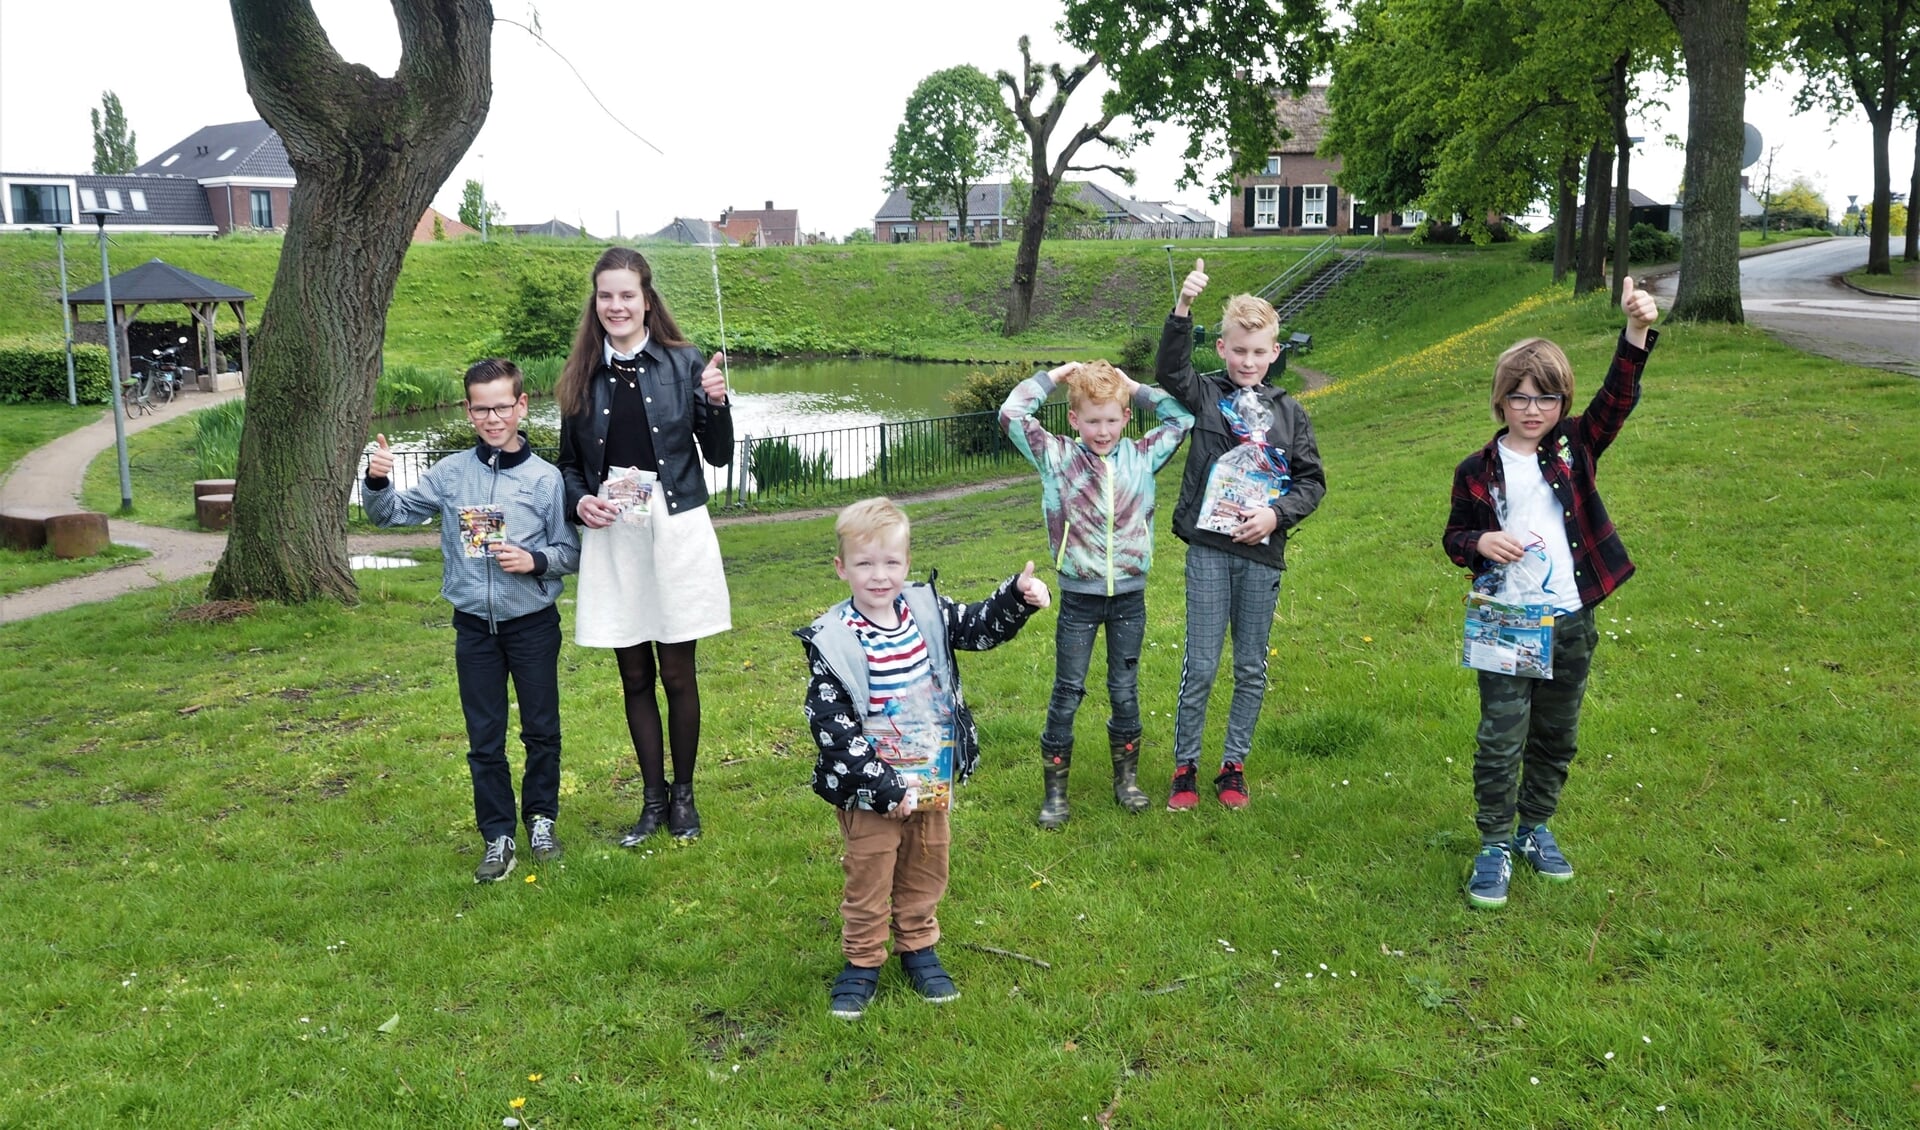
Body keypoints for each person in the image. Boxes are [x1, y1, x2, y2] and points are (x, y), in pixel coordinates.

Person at [1443, 277, 1659, 910]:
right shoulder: (1475, 470)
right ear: (1500, 402)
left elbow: (1617, 398)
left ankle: (1534, 827)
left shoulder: (1575, 447)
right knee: (1502, 736)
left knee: (1557, 735)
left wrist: (1637, 331)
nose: (1532, 409)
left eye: (1545, 397)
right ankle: (1494, 842)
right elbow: (1455, 536)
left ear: (1562, 401)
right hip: (1506, 623)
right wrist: (1480, 544)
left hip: (1569, 619)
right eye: (1519, 397)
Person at [797, 498, 1050, 1020]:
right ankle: (863, 962)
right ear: (841, 568)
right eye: (865, 564)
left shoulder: (926, 610)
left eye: (891, 562)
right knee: (869, 874)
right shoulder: (835, 638)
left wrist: (1015, 598)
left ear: (907, 563)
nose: (879, 575)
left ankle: (918, 947)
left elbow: (978, 626)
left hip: (930, 775)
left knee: (926, 865)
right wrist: (884, 789)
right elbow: (832, 727)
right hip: (869, 786)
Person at [361, 359, 580, 883]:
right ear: (468, 411)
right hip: (474, 627)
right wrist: (376, 479)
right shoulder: (451, 474)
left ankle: (541, 819)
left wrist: (536, 561)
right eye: (481, 409)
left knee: (541, 730)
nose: (492, 418)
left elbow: (572, 549)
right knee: (485, 737)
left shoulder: (546, 479)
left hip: (532, 623)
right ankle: (498, 834)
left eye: (502, 407)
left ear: (522, 406)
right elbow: (389, 514)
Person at [556, 247, 732, 844]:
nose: (616, 305)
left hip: (676, 528)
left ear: (647, 300)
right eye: (606, 295)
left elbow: (721, 455)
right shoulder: (580, 372)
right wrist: (579, 502)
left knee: (677, 673)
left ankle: (684, 799)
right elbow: (569, 468)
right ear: (596, 302)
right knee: (634, 673)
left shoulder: (685, 365)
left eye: (627, 294)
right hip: (615, 535)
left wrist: (716, 402)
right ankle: (651, 802)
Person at [1155, 259, 1326, 810]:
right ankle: (1185, 767)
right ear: (1222, 349)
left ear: (1275, 353)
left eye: (1259, 352)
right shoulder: (1203, 394)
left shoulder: (1291, 413)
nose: (1248, 361)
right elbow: (1168, 371)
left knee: (1251, 664)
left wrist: (1277, 517)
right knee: (1201, 663)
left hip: (1261, 553)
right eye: (1238, 350)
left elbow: (1311, 481)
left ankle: (1233, 766)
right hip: (1208, 549)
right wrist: (1183, 308)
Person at [998, 359, 1193, 827]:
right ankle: (1055, 796)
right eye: (1092, 421)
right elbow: (1011, 414)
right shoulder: (1056, 456)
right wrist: (1055, 377)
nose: (1102, 431)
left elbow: (1182, 418)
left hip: (1129, 597)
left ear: (1126, 419)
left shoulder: (1143, 455)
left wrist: (1133, 387)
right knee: (1067, 691)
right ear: (1074, 420)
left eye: (1111, 420)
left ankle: (1126, 783)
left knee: (1125, 691)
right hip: (1079, 599)